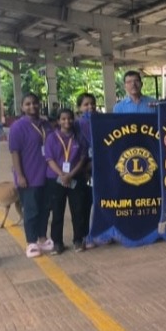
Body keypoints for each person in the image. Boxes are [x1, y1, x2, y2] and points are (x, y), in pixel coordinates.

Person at [9, 93, 53, 258]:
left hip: (46, 175)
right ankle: (31, 242)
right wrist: (20, 175)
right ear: (22, 107)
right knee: (31, 210)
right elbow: (14, 152)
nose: (32, 106)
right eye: (27, 104)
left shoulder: (46, 125)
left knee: (45, 209)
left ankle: (42, 238)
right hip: (29, 175)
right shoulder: (17, 127)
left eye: (35, 103)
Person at [44, 108, 87, 255]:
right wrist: (62, 174)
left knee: (78, 210)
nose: (66, 121)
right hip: (56, 178)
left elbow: (82, 159)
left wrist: (71, 175)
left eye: (69, 118)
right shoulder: (51, 138)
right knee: (57, 211)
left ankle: (78, 240)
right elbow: (49, 159)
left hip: (75, 177)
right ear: (58, 121)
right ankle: (57, 243)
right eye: (63, 119)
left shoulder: (78, 137)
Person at [73, 93, 97, 251]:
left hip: (100, 167)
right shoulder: (75, 125)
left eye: (92, 104)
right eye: (86, 104)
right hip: (83, 169)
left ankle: (100, 232)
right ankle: (83, 236)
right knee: (84, 204)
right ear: (79, 108)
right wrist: (84, 166)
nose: (90, 107)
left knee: (100, 202)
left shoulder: (101, 121)